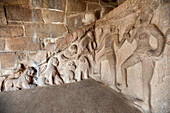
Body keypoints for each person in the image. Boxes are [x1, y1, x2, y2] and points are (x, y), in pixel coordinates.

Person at [121, 7, 166, 112]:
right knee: (123, 66)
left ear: (149, 16)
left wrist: (157, 52)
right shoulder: (138, 28)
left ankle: (146, 104)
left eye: (145, 14)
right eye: (142, 14)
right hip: (137, 53)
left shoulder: (150, 27)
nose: (142, 15)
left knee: (145, 81)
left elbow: (161, 37)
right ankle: (124, 87)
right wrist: (126, 35)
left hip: (146, 54)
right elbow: (131, 40)